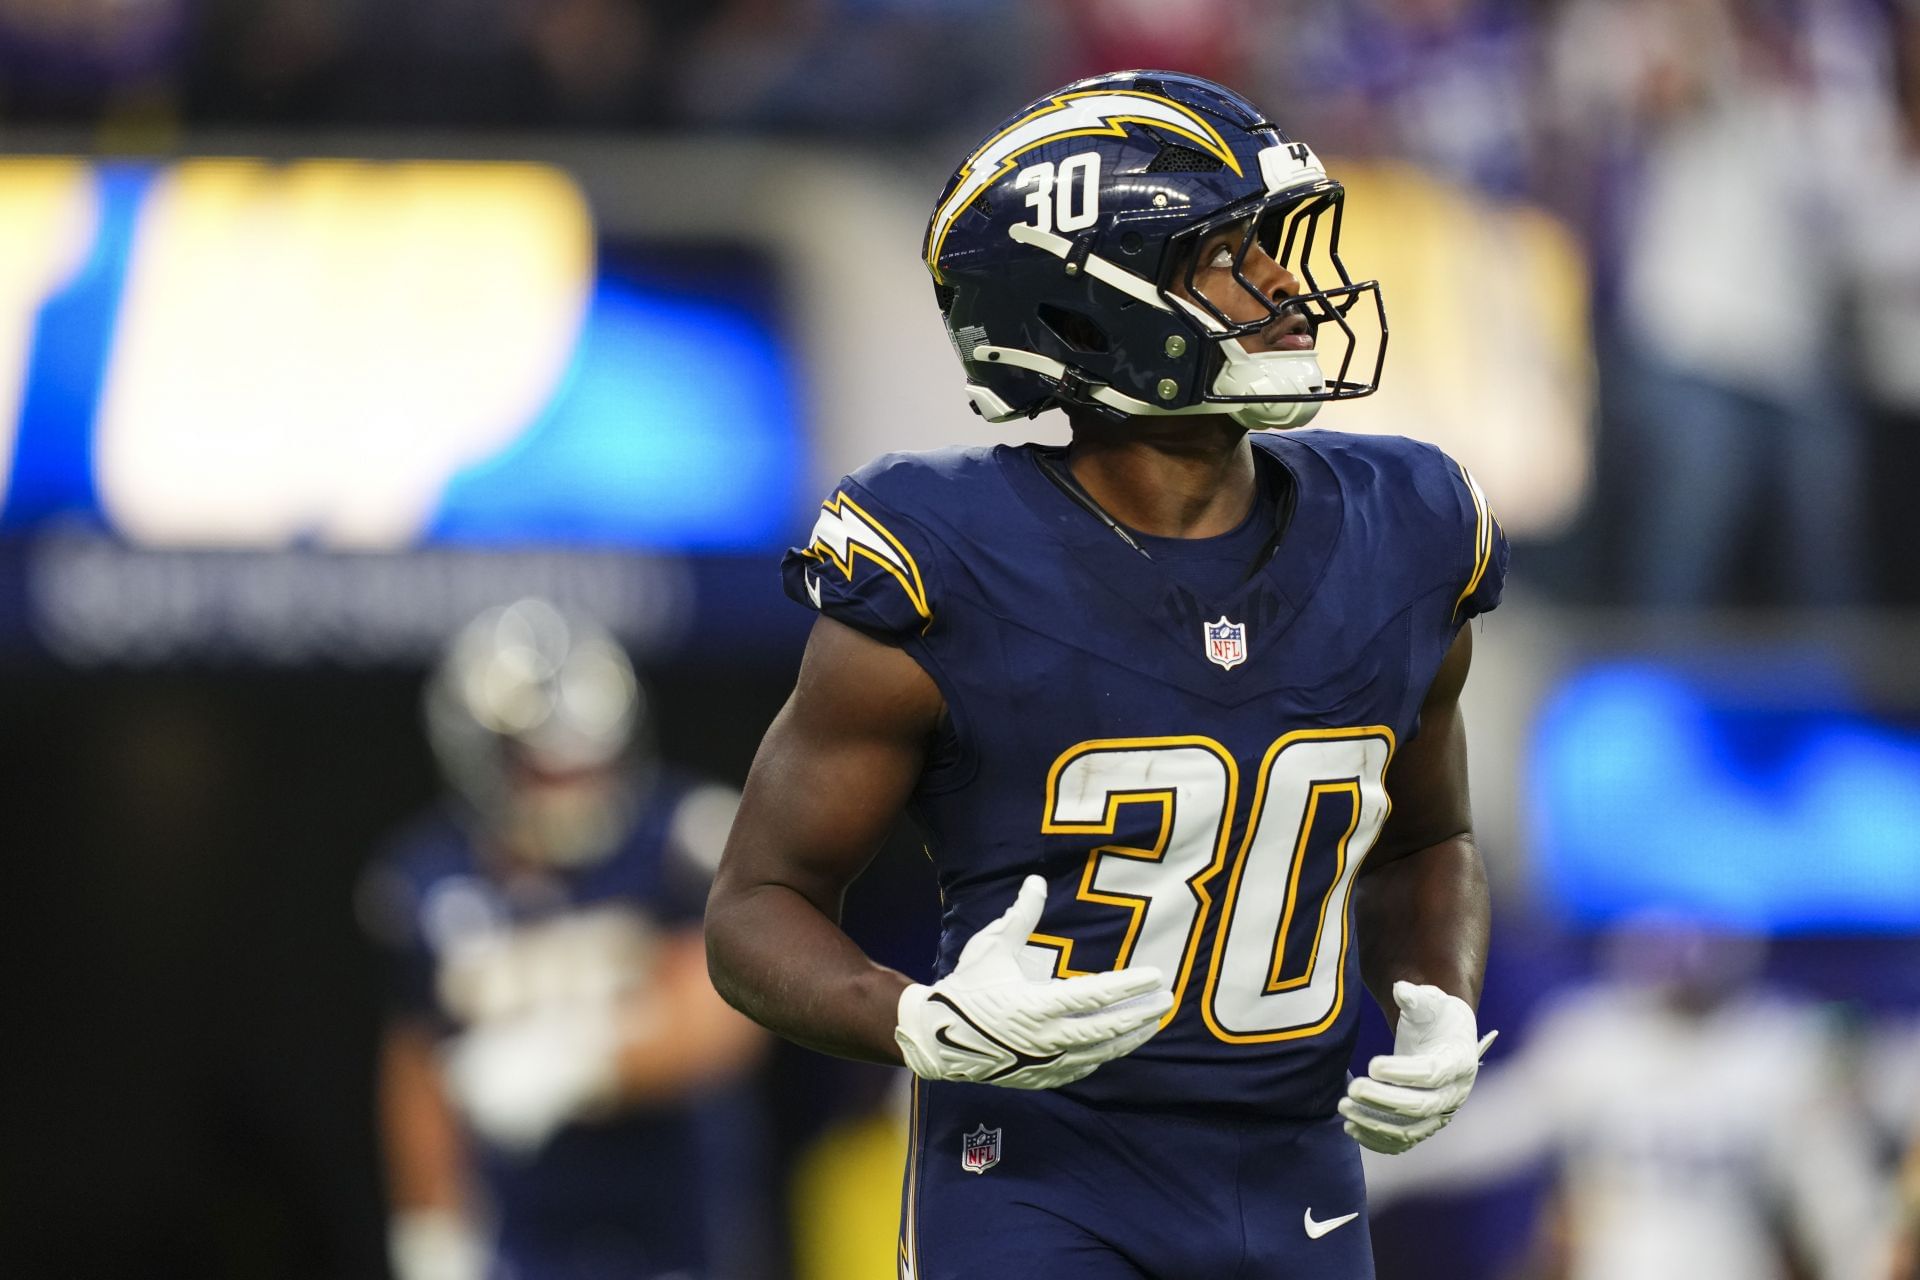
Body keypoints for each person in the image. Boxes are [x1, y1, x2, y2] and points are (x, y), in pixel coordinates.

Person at [705, 70, 1508, 1279]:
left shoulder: (1408, 525)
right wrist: (917, 1018)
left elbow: (1428, 838)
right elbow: (753, 909)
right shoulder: (947, 558)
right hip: (1037, 1182)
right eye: (1230, 253)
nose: (1288, 284)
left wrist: (1436, 990)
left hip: (1298, 1174)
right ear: (1086, 312)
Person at [363, 598, 764, 1280]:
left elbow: (733, 1007)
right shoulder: (429, 877)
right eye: (549, 768)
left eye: (591, 764)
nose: (576, 788)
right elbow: (418, 1064)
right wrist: (429, 1232)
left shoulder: (677, 838)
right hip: (520, 1228)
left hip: (668, 1217)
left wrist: (583, 1066)